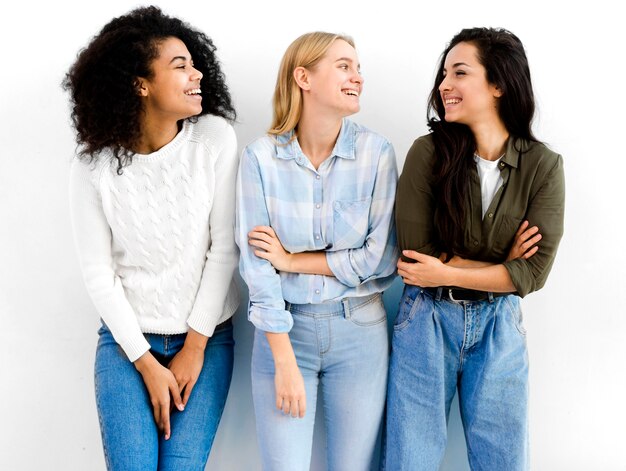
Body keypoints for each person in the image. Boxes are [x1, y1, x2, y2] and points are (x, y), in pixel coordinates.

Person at [64, 6, 239, 470]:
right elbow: (99, 275)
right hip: (126, 345)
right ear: (141, 84)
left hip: (205, 341)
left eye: (194, 63)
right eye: (180, 66)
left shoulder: (215, 140)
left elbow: (224, 249)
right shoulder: (93, 168)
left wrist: (194, 349)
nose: (196, 73)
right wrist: (144, 362)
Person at [385, 27, 565, 470]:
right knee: (411, 459)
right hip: (425, 320)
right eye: (444, 73)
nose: (444, 84)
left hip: (499, 327)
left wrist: (450, 271)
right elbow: (414, 258)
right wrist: (503, 265)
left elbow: (534, 273)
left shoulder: (543, 166)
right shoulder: (427, 154)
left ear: (499, 84)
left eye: (459, 72)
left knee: (503, 461)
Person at [235, 32, 398, 471]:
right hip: (283, 333)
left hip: (360, 329)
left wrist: (291, 260)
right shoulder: (259, 159)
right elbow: (257, 268)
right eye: (344, 65)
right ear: (303, 77)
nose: (357, 77)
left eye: (358, 68)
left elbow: (377, 260)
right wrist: (284, 360)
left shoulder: (377, 154)